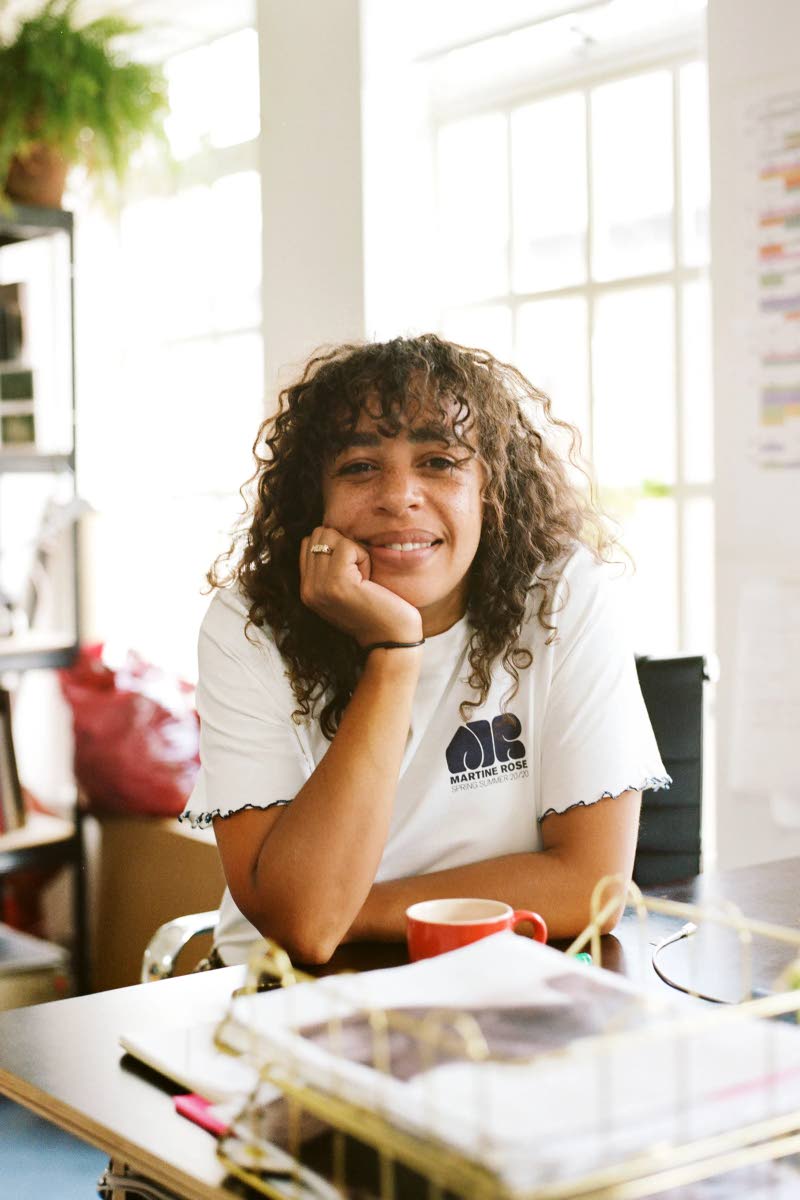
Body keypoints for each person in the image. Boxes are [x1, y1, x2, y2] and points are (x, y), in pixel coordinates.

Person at [180, 334, 669, 966]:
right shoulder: (250, 624)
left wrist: (346, 911)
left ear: (488, 489)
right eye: (359, 467)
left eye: (438, 461)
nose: (399, 495)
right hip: (291, 992)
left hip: (494, 974)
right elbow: (303, 935)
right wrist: (392, 653)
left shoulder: (559, 594)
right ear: (315, 500)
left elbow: (593, 887)